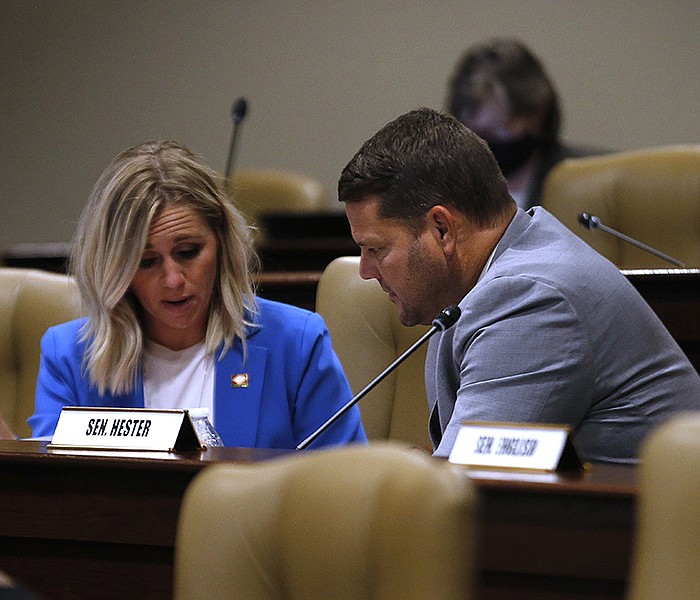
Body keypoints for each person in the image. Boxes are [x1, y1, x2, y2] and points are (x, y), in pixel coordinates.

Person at [338, 107, 700, 465]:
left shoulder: (529, 298)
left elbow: (462, 492)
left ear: (442, 229)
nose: (366, 270)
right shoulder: (490, 278)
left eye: (376, 249)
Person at [29, 140, 366, 449]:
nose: (174, 280)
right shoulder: (70, 357)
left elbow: (346, 483)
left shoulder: (295, 343)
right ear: (117, 268)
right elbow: (53, 490)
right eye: (147, 262)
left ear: (221, 243)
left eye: (188, 252)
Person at [447, 37, 604, 209]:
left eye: (501, 129)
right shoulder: (444, 188)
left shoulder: (594, 179)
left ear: (537, 114)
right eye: (477, 132)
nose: (487, 143)